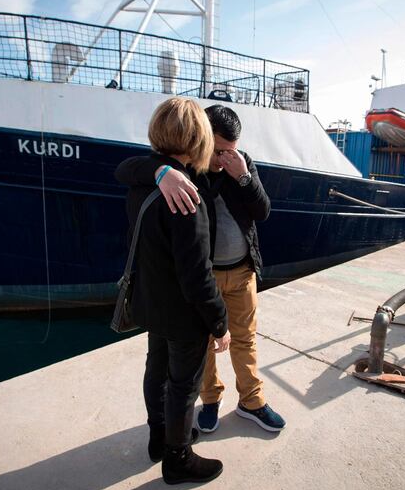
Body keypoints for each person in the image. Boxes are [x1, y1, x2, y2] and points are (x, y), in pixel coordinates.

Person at [115, 104, 286, 436]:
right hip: (205, 277)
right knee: (205, 345)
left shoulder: (241, 164)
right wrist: (160, 172)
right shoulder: (189, 170)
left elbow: (262, 211)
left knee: (245, 340)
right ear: (202, 139)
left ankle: (252, 401)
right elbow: (125, 169)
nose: (223, 158)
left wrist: (244, 178)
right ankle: (210, 401)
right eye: (218, 150)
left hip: (242, 272)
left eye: (230, 151)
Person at [120, 97, 231, 486]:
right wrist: (220, 323)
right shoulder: (184, 196)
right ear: (198, 138)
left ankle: (160, 438)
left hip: (151, 305)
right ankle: (178, 459)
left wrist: (159, 169)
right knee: (183, 385)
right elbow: (197, 276)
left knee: (156, 371)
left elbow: (125, 168)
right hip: (183, 315)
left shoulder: (144, 184)